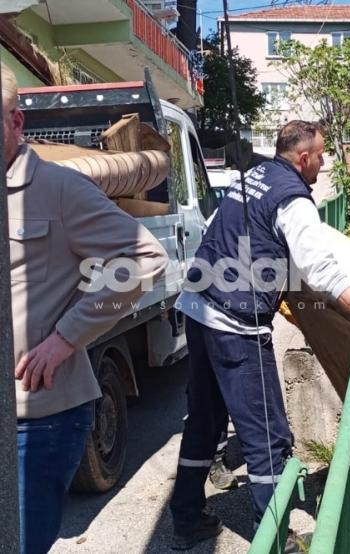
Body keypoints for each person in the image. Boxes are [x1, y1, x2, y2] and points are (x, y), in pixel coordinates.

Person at [169, 120, 350, 550]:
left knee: (204, 421)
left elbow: (231, 234)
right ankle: (277, 539)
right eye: (320, 155)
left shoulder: (253, 177)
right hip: (235, 324)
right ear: (303, 158)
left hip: (198, 309)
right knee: (267, 436)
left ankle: (186, 519)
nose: (323, 162)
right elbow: (321, 270)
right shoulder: (293, 198)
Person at [3, 62, 168, 554]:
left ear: (16, 122)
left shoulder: (58, 189)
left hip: (35, 418)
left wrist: (65, 338)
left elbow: (145, 259)